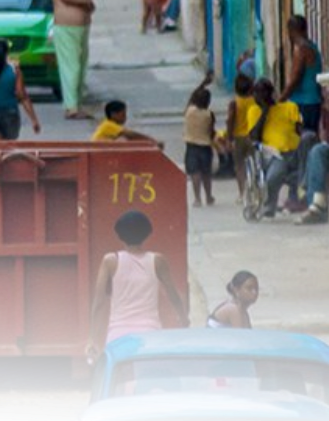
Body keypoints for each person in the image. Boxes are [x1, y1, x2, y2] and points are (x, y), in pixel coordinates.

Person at [86, 211, 184, 362]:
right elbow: (173, 296)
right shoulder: (157, 261)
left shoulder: (110, 261)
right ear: (146, 233)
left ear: (120, 235)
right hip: (150, 334)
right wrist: (183, 319)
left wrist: (92, 338)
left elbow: (99, 302)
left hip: (118, 335)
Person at [251, 79, 305, 219]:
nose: (258, 97)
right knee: (274, 175)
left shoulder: (289, 107)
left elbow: (300, 129)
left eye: (262, 93)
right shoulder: (254, 111)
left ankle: (301, 197)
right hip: (275, 154)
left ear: (270, 93)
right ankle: (270, 203)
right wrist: (265, 112)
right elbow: (254, 137)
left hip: (294, 151)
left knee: (309, 141)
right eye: (256, 93)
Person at [54, 0, 96, 120]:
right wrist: (86, 3)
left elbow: (90, 3)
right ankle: (71, 106)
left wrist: (88, 5)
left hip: (82, 29)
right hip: (65, 29)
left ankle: (77, 104)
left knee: (81, 66)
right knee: (72, 67)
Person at [181, 72, 219, 206]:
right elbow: (211, 132)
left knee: (195, 173)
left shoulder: (189, 111)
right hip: (205, 147)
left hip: (191, 146)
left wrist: (203, 83)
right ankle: (208, 196)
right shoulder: (209, 114)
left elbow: (192, 96)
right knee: (206, 174)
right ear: (208, 102)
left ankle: (197, 199)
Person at [284, 15, 325, 132]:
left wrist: (281, 98)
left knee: (302, 138)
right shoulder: (313, 47)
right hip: (313, 101)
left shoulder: (300, 49)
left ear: (291, 31)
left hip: (303, 103)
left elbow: (295, 79)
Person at [223, 75, 258, 204]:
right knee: (255, 164)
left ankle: (242, 193)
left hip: (239, 138)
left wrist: (228, 138)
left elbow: (230, 120)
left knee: (239, 167)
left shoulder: (234, 103)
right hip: (252, 137)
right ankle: (255, 191)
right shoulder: (255, 101)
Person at [90, 99, 159, 145]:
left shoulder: (110, 125)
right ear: (113, 114)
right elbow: (131, 135)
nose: (125, 117)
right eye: (123, 115)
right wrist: (152, 141)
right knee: (123, 139)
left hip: (100, 151)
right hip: (99, 152)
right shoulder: (108, 125)